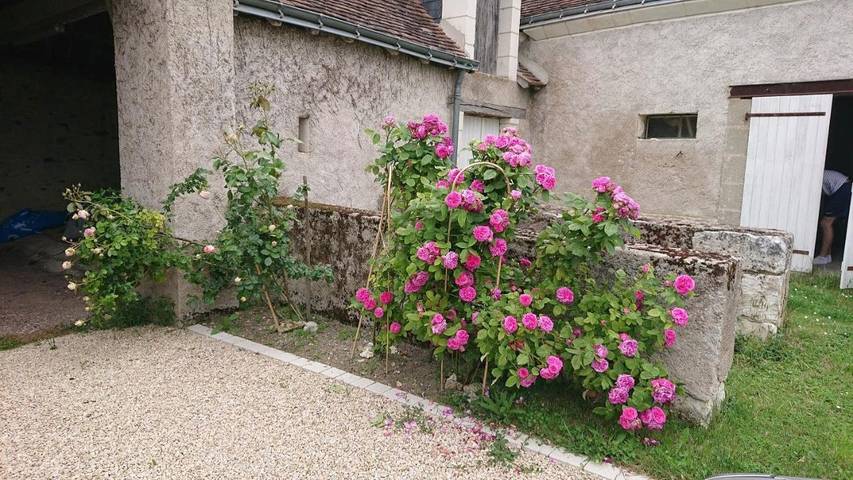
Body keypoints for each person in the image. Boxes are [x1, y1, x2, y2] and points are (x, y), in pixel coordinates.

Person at [814, 169, 852, 265]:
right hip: (842, 188)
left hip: (842, 189)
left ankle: (822, 256)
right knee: (827, 223)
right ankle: (827, 256)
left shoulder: (815, 176)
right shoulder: (820, 174)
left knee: (826, 223)